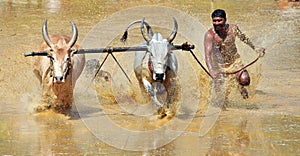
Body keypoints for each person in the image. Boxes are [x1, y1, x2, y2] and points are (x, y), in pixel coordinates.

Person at [204, 9, 265, 108]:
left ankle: (243, 93)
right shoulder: (209, 35)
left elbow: (244, 39)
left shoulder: (233, 29)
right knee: (221, 98)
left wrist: (256, 48)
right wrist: (212, 71)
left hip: (235, 62)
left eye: (219, 20)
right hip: (219, 66)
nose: (216, 23)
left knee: (245, 80)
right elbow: (207, 55)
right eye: (214, 21)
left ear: (225, 20)